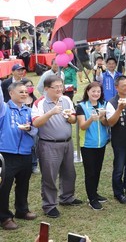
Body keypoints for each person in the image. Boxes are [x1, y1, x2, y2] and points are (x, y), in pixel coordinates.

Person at [31, 75, 82, 218]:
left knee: (69, 172)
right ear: (47, 89)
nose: (60, 89)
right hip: (48, 144)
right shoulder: (39, 103)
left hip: (67, 142)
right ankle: (49, 205)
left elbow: (73, 119)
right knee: (49, 176)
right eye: (56, 87)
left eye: (61, 86)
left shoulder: (65, 99)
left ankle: (67, 197)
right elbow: (36, 123)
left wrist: (70, 117)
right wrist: (51, 113)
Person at [0, 81, 38, 231]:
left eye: (25, 91)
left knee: (23, 183)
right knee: (4, 186)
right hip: (7, 153)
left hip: (25, 152)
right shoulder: (4, 108)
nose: (24, 94)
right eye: (20, 91)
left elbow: (35, 131)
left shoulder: (28, 111)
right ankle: (4, 217)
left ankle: (22, 210)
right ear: (10, 94)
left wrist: (29, 129)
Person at [75, 82, 109, 211]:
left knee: (98, 170)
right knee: (90, 172)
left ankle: (95, 193)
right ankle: (92, 199)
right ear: (87, 92)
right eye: (93, 91)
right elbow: (82, 126)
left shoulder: (103, 105)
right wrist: (91, 119)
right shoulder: (82, 106)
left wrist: (102, 119)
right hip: (88, 144)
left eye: (98, 91)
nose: (96, 94)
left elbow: (107, 123)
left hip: (101, 143)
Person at [105, 76, 126, 204]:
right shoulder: (112, 103)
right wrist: (119, 109)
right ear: (116, 87)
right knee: (119, 167)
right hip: (119, 140)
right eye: (123, 85)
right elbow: (111, 123)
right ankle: (118, 193)